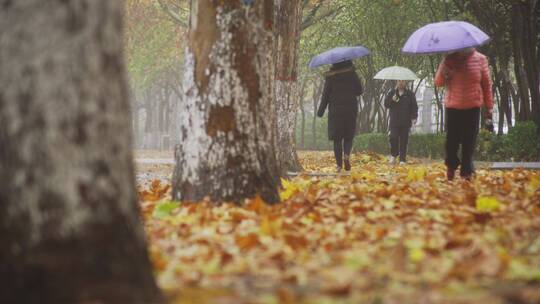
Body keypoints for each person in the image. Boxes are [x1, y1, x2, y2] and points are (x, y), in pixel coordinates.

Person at [435, 47, 494, 180]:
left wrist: (489, 107)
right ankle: (451, 167)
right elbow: (438, 83)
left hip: (472, 107)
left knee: (469, 142)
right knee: (451, 142)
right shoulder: (449, 59)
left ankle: (466, 173)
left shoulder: (480, 59)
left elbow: (486, 85)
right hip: (453, 107)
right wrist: (445, 69)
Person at [317, 60, 363, 172]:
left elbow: (325, 95)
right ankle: (346, 155)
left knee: (337, 138)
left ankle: (338, 165)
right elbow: (360, 90)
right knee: (348, 136)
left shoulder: (331, 76)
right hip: (350, 109)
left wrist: (320, 111)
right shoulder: (352, 74)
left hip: (336, 110)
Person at [384, 80, 418, 164]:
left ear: (405, 82)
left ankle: (402, 159)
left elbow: (414, 106)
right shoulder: (392, 93)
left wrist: (414, 117)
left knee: (404, 141)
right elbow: (386, 104)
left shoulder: (410, 94)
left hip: (405, 121)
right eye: (399, 81)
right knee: (393, 137)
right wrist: (392, 100)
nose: (401, 83)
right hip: (394, 121)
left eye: (403, 81)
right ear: (397, 82)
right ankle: (394, 154)